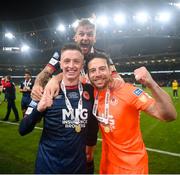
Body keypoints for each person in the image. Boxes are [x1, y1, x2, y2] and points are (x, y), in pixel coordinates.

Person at [31, 17, 123, 173]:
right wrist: (38, 84)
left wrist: (57, 78)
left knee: (88, 155)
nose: (85, 38)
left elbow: (115, 78)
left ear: (95, 37)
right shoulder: (63, 53)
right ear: (75, 37)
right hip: (69, 109)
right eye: (81, 34)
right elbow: (46, 71)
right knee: (67, 149)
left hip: (92, 110)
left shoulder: (103, 56)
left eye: (89, 34)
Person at [85, 52, 177, 174]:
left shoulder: (129, 92)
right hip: (107, 164)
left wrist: (151, 83)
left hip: (132, 167)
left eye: (102, 69)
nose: (97, 74)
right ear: (88, 74)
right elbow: (69, 76)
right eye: (93, 70)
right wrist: (54, 81)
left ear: (110, 70)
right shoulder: (94, 91)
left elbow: (169, 115)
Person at [19, 44, 98, 174]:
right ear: (60, 64)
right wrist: (38, 109)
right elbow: (23, 129)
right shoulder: (45, 91)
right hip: (48, 168)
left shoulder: (90, 91)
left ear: (82, 64)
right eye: (66, 61)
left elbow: (93, 126)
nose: (71, 65)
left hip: (78, 168)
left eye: (76, 61)